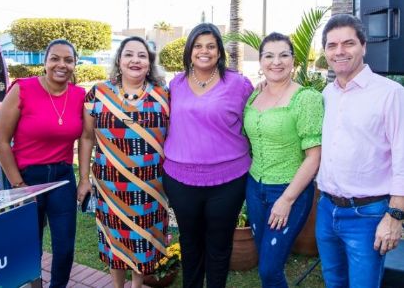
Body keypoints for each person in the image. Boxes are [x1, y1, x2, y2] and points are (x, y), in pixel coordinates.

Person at [316, 14, 404, 288]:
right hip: (326, 210)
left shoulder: (390, 93)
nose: (339, 51)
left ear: (363, 46)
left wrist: (395, 216)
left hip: (368, 216)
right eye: (332, 45)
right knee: (334, 282)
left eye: (348, 43)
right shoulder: (327, 94)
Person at [162, 23, 253, 288]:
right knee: (190, 244)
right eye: (198, 46)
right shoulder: (175, 84)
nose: (204, 51)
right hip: (180, 181)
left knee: (219, 245)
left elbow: (255, 121)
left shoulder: (238, 83)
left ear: (219, 52)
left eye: (211, 46)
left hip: (228, 182)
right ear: (189, 51)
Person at [78, 36, 169, 288]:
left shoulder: (164, 97)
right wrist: (84, 179)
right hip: (110, 187)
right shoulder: (98, 94)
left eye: (142, 56)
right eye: (129, 54)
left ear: (150, 64)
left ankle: (136, 287)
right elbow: (86, 138)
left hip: (150, 187)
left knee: (141, 241)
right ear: (119, 60)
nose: (135, 60)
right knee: (114, 240)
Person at [0, 39, 87, 288]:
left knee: (65, 247)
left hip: (62, 178)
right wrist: (19, 185)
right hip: (26, 177)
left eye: (68, 60)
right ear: (45, 63)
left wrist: (84, 179)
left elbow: (87, 138)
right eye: (55, 58)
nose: (62, 64)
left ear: (74, 64)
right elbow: (1, 142)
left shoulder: (79, 95)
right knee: (28, 246)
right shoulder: (22, 89)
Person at [242, 32, 323, 287]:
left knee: (269, 268)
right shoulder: (255, 95)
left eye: (283, 55)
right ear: (261, 61)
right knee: (266, 261)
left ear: (293, 60)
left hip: (290, 191)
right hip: (255, 188)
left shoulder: (305, 98)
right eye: (269, 56)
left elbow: (314, 156)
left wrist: (286, 200)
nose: (276, 62)